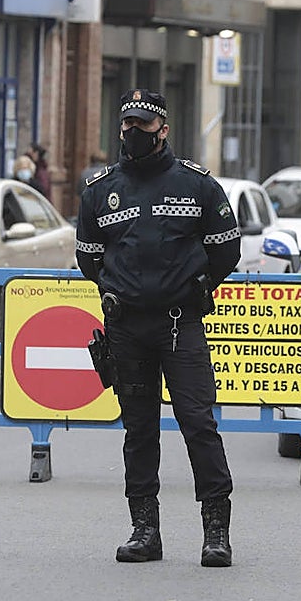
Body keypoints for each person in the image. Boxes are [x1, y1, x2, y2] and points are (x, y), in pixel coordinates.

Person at [76, 88, 242, 567]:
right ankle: (144, 531)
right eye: (126, 124)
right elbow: (89, 259)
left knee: (198, 425)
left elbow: (226, 251)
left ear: (163, 130)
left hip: (180, 324)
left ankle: (216, 533)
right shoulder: (100, 189)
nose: (132, 133)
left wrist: (196, 286)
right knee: (139, 430)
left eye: (143, 126)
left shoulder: (197, 185)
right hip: (127, 327)